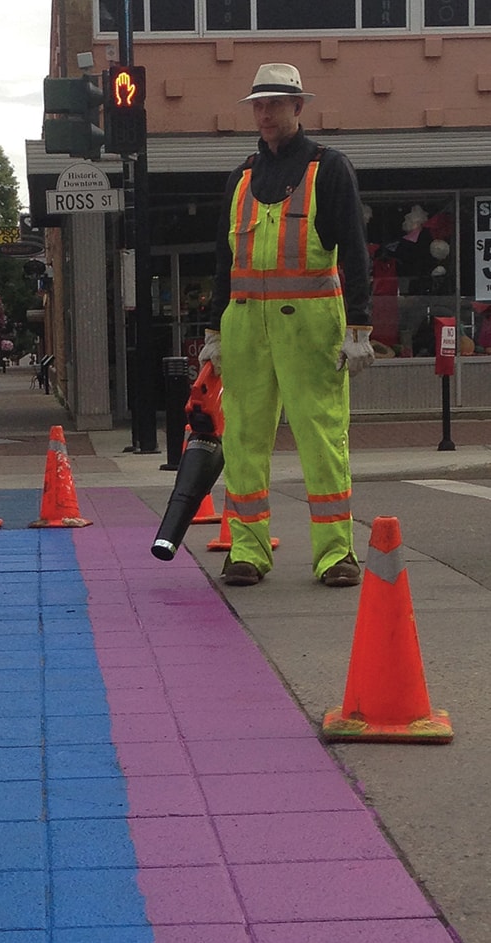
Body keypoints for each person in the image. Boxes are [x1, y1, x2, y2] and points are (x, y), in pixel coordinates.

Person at [200, 63, 373, 588]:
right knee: (244, 440)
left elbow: (356, 255)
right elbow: (222, 260)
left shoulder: (330, 168)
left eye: (276, 103)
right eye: (258, 103)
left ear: (299, 107)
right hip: (245, 328)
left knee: (322, 438)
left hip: (312, 330)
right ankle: (247, 552)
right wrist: (212, 332)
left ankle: (335, 554)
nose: (265, 112)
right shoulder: (242, 176)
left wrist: (359, 329)